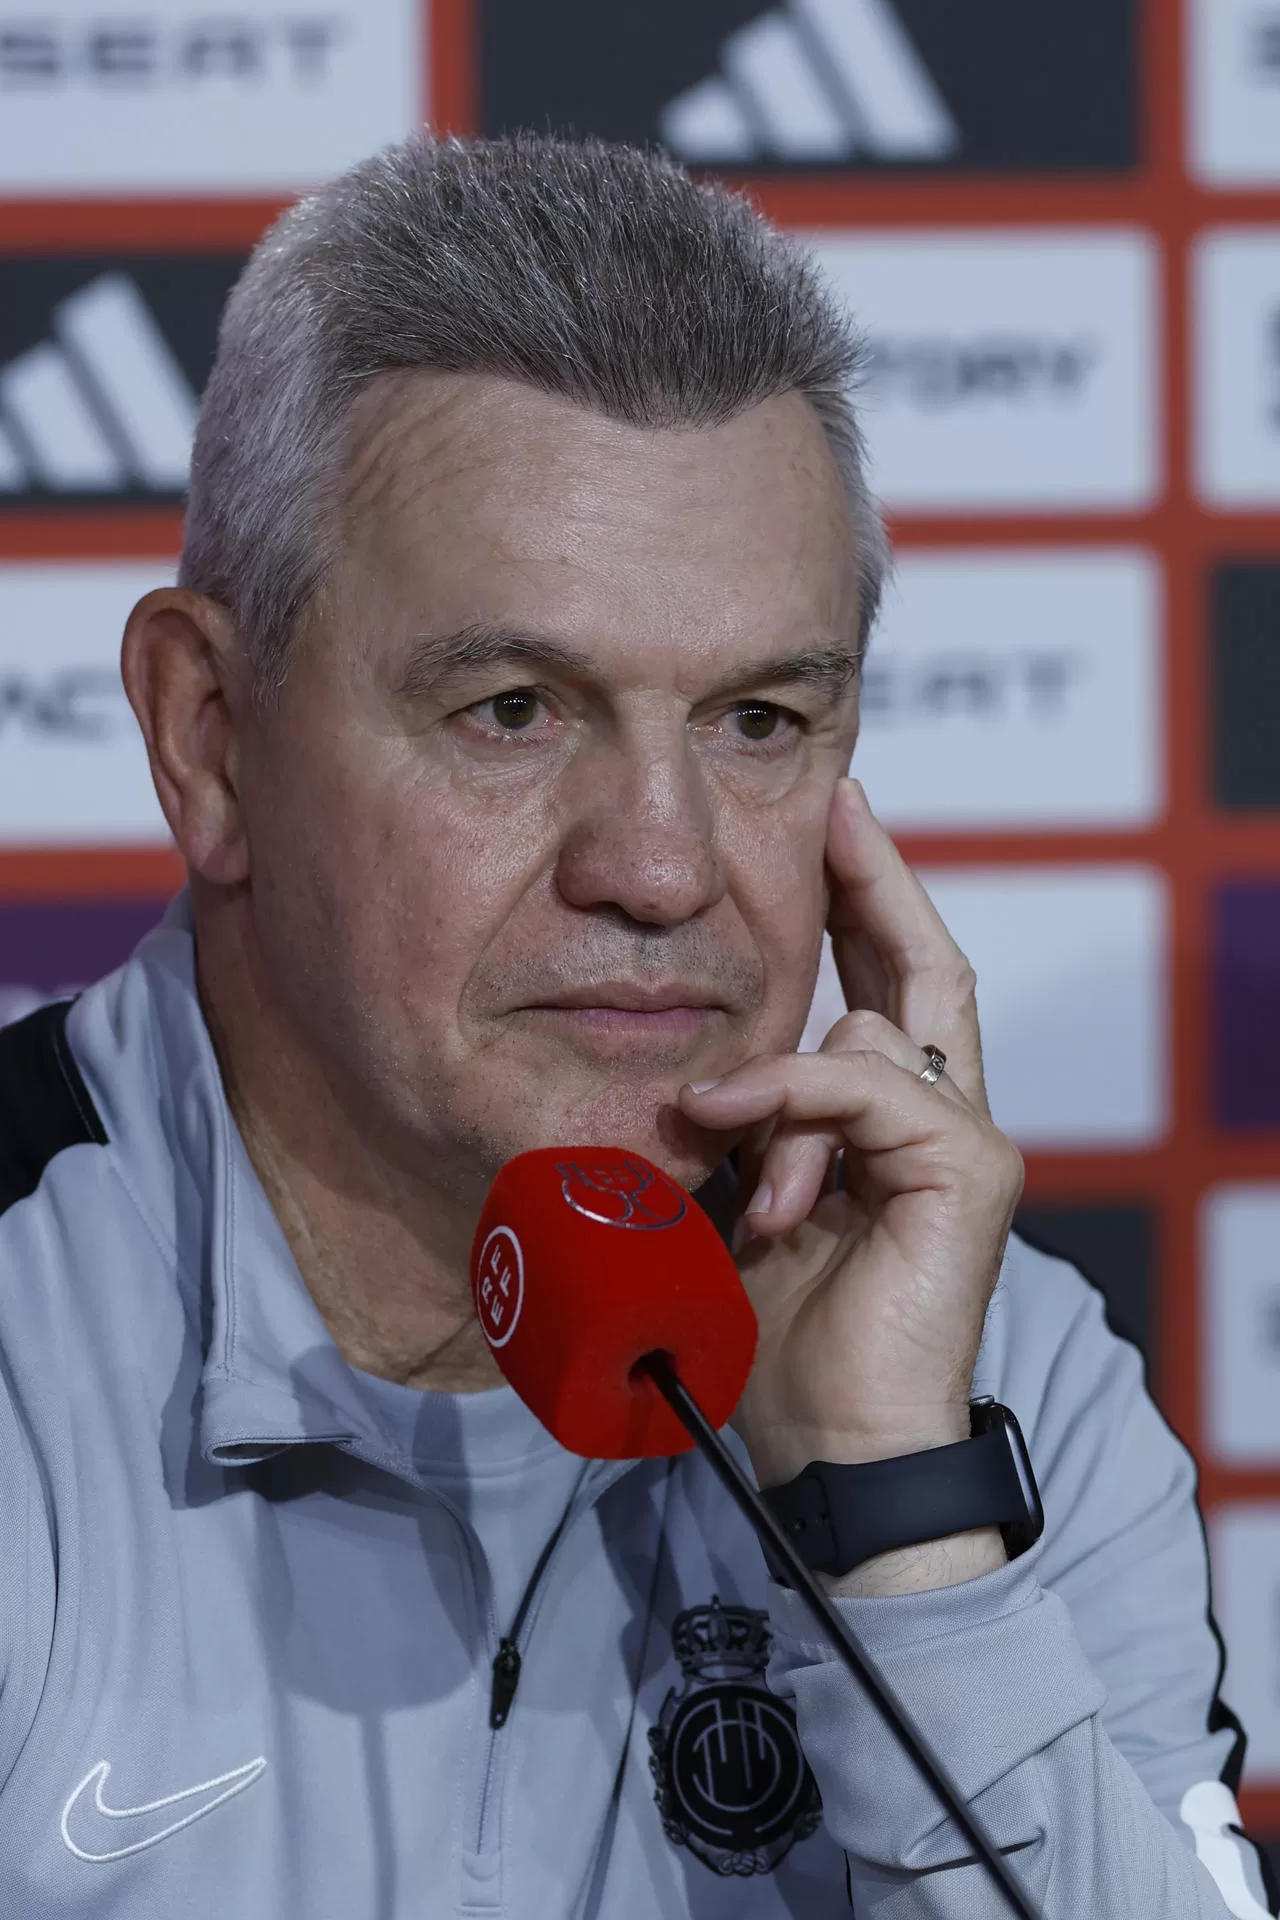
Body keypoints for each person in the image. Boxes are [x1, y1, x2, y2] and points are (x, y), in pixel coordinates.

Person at [0, 133, 1270, 1919]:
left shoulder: (1006, 1381)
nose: (664, 870)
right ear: (209, 739)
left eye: (759, 720)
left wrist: (895, 1516)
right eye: (514, 710)